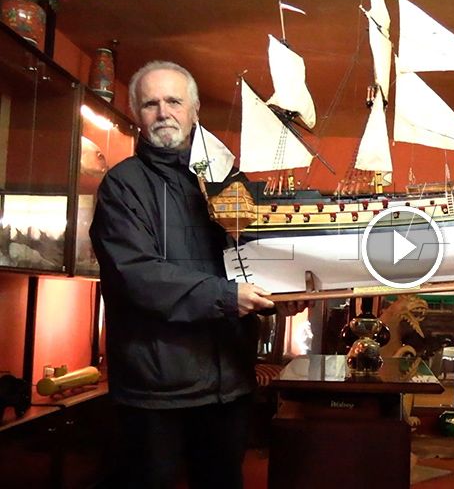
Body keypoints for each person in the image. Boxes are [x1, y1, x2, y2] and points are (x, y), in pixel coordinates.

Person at [89, 61, 306, 488]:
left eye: (174, 101)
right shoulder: (122, 186)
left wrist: (280, 296)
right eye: (150, 104)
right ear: (136, 113)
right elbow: (137, 275)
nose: (163, 112)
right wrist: (228, 296)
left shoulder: (228, 182)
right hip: (156, 391)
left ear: (194, 110)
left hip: (229, 384)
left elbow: (252, 257)